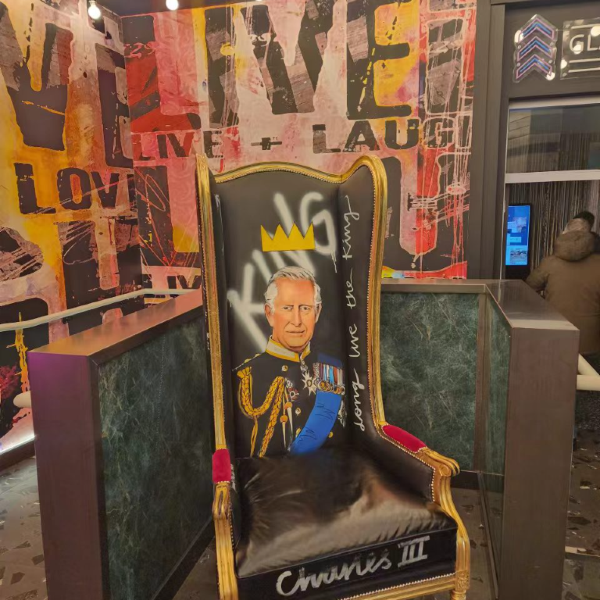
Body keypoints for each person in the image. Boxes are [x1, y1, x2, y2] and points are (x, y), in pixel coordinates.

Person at [234, 266, 346, 457]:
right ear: (269, 314)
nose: (297, 321)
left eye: (305, 308)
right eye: (287, 308)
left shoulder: (332, 369)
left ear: (317, 312)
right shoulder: (245, 377)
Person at [527, 219, 600, 357]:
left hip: (555, 337)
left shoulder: (550, 263)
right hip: (592, 343)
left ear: (564, 234)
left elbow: (528, 289)